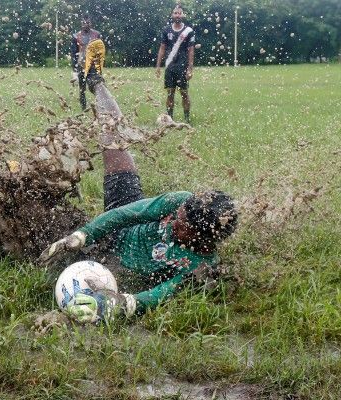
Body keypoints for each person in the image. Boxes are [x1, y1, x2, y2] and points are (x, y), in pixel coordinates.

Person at [39, 47, 237, 324]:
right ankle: (97, 82)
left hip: (114, 259)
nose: (173, 221)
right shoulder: (180, 201)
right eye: (177, 216)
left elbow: (162, 293)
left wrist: (124, 303)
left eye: (181, 227)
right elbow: (128, 214)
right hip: (124, 224)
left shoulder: (201, 265)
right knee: (114, 137)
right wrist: (81, 235)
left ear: (201, 239)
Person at [155, 4, 195, 124]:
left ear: (183, 15)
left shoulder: (189, 31)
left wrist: (190, 68)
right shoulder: (166, 30)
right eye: (175, 13)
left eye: (179, 13)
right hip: (170, 67)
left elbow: (191, 50)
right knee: (170, 94)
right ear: (172, 15)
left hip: (182, 66)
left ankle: (187, 119)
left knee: (184, 93)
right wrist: (158, 66)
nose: (177, 15)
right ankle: (169, 119)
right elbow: (162, 48)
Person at [71, 14, 102, 111]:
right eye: (83, 23)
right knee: (82, 89)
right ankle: (84, 109)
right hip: (82, 66)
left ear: (91, 23)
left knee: (98, 86)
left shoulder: (97, 35)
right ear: (81, 23)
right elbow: (73, 54)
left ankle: (100, 106)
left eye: (87, 22)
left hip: (94, 66)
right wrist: (74, 71)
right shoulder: (76, 36)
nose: (85, 24)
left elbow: (101, 50)